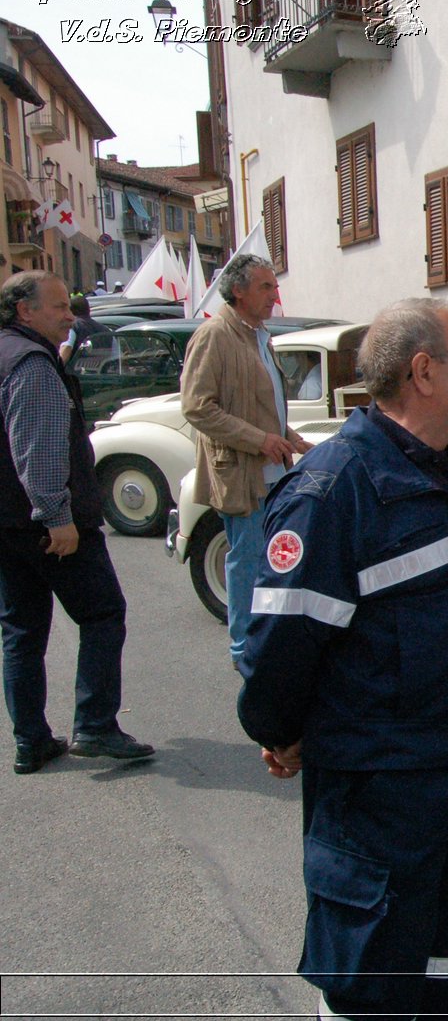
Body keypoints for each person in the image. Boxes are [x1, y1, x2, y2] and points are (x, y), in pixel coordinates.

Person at [237, 298, 448, 1020]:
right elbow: (280, 650)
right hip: (377, 789)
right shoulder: (334, 490)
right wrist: (283, 732)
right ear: (423, 372)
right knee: (370, 985)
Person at [0, 272, 154, 773]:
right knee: (103, 614)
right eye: (60, 306)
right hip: (48, 524)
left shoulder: (10, 352)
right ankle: (95, 727)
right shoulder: (30, 364)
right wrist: (56, 516)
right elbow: (37, 450)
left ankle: (31, 741)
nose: (71, 315)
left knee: (22, 631)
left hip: (7, 523)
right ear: (25, 311)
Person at [179, 255, 310, 671]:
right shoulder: (215, 335)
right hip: (241, 474)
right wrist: (260, 440)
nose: (275, 295)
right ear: (239, 291)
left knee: (275, 559)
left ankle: (266, 642)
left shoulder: (259, 335)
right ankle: (244, 652)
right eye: (266, 287)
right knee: (247, 561)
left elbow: (261, 404)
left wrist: (289, 437)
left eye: (274, 286)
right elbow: (197, 408)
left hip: (274, 471)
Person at [57, 292, 110, 364]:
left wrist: (57, 368)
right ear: (88, 310)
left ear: (70, 310)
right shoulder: (106, 330)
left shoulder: (73, 327)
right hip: (100, 373)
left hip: (76, 373)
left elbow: (65, 350)